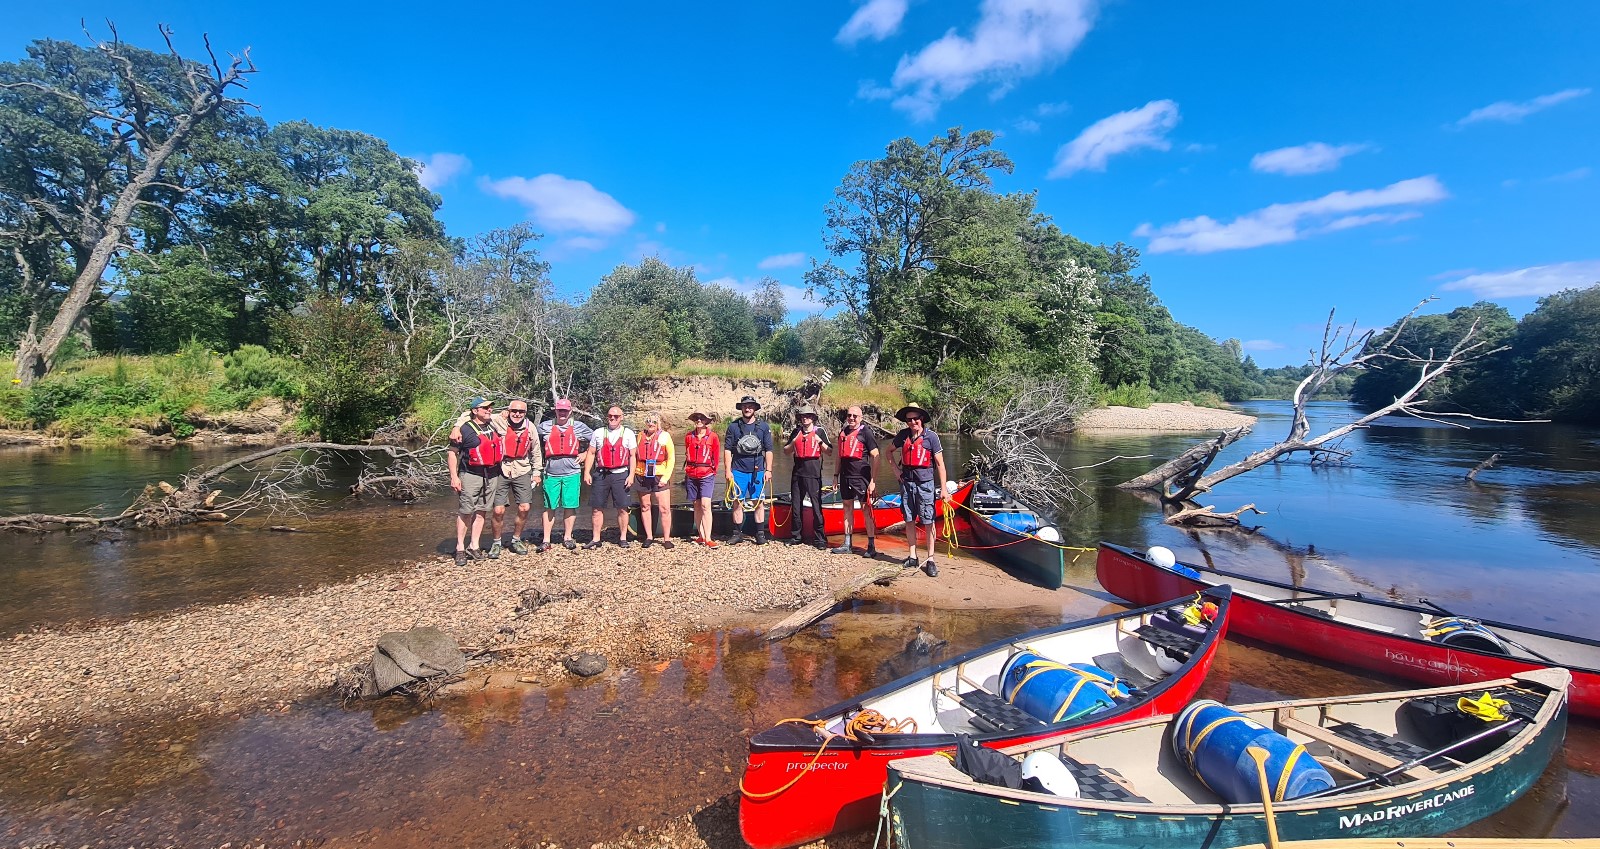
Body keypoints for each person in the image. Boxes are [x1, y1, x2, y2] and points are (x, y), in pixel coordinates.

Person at [450, 398, 543, 557]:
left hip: (522, 468)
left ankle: (515, 539)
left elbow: (535, 450)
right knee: (497, 510)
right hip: (501, 469)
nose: (517, 414)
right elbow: (471, 415)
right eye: (514, 411)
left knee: (524, 507)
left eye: (521, 411)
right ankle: (496, 542)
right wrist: (457, 427)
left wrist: (537, 472)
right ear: (508, 411)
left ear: (526, 413)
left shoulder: (530, 427)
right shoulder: (497, 420)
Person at [892, 404, 951, 577]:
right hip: (907, 483)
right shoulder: (903, 435)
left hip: (925, 484)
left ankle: (930, 559)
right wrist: (896, 471)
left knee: (928, 520)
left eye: (915, 419)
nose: (912, 422)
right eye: (909, 419)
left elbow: (940, 464)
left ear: (921, 419)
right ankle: (912, 556)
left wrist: (944, 489)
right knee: (909, 519)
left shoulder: (931, 437)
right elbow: (889, 453)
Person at [447, 397, 504, 565]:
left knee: (482, 511)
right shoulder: (463, 429)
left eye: (490, 407)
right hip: (470, 474)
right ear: (475, 411)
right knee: (466, 511)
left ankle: (474, 545)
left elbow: (506, 416)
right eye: (485, 408)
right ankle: (459, 548)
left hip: (491, 474)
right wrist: (454, 477)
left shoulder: (493, 424)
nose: (489, 410)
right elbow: (452, 453)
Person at [537, 397, 593, 552]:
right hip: (551, 472)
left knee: (570, 505)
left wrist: (585, 453)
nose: (562, 413)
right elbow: (531, 439)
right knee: (549, 506)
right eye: (559, 410)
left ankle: (568, 536)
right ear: (555, 410)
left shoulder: (579, 427)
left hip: (572, 471)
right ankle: (546, 540)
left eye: (565, 411)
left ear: (570, 412)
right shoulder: (545, 427)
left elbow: (597, 440)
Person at [723, 395, 773, 545]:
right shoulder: (733, 427)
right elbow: (727, 451)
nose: (747, 408)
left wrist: (768, 470)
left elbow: (769, 450)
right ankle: (737, 533)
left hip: (758, 471)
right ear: (741, 408)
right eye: (745, 406)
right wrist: (727, 471)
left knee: (759, 501)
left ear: (755, 409)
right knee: (737, 502)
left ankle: (760, 534)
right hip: (738, 470)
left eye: (750, 406)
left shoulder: (763, 427)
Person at [832, 405, 881, 558]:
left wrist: (873, 481)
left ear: (861, 418)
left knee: (866, 510)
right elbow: (839, 456)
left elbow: (875, 455)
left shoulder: (865, 433)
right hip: (846, 476)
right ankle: (847, 543)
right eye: (849, 415)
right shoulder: (843, 432)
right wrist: (835, 475)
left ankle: (871, 545)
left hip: (861, 477)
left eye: (855, 416)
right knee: (847, 507)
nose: (851, 418)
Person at [583, 405, 635, 549]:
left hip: (621, 473)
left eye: (616, 416)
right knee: (596, 508)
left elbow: (632, 456)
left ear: (621, 417)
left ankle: (623, 538)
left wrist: (631, 475)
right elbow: (591, 453)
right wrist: (587, 472)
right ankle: (596, 538)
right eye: (610, 416)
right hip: (601, 474)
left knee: (623, 508)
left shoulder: (628, 434)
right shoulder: (598, 433)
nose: (613, 418)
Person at [784, 404, 832, 548]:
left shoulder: (820, 431)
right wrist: (793, 442)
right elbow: (786, 451)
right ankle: (796, 536)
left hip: (813, 472)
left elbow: (829, 451)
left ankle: (820, 539)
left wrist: (819, 441)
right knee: (796, 505)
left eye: (808, 416)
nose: (805, 418)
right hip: (798, 472)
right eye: (803, 416)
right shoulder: (796, 431)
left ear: (812, 418)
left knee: (816, 506)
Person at [633, 411, 675, 549]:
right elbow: (634, 456)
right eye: (648, 421)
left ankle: (667, 539)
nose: (651, 424)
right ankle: (649, 536)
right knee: (645, 506)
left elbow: (671, 458)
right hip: (642, 474)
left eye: (654, 422)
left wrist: (666, 477)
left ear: (658, 424)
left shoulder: (665, 436)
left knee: (664, 508)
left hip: (659, 474)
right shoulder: (640, 436)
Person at [683, 411, 721, 547]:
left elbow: (716, 457)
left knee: (706, 504)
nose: (699, 421)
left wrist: (713, 471)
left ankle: (708, 538)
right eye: (697, 419)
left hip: (707, 474)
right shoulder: (688, 436)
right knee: (696, 505)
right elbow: (687, 452)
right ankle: (701, 535)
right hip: (692, 474)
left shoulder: (713, 437)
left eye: (702, 419)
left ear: (706, 421)